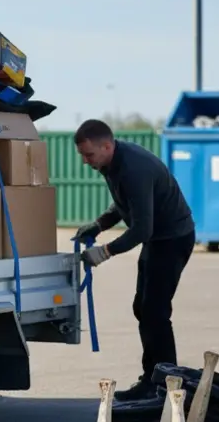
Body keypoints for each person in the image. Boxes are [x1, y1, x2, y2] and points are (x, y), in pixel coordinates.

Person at [72, 119, 196, 402]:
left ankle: (166, 385)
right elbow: (123, 202)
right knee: (143, 307)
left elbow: (142, 229)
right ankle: (154, 379)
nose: (85, 161)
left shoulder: (133, 168)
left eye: (88, 154)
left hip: (172, 239)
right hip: (159, 240)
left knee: (154, 311)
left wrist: (104, 252)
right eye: (82, 155)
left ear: (107, 145)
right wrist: (99, 224)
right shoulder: (110, 163)